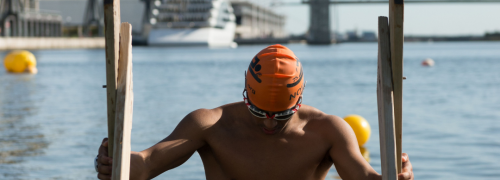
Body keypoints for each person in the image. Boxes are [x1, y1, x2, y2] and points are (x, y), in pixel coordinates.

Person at [96, 44, 414, 180]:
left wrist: (396, 177)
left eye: (281, 114)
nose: (270, 123)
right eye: (259, 112)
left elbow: (363, 178)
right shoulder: (210, 125)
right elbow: (147, 164)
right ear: (246, 95)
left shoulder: (327, 132)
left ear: (298, 103)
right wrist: (118, 161)